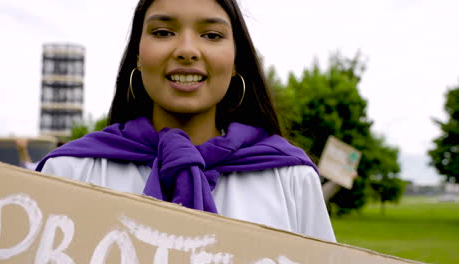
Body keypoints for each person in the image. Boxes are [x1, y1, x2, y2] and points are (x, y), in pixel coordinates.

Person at [36, 0, 336, 242]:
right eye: (163, 32)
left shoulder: (291, 178)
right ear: (138, 56)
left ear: (235, 62)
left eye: (212, 35)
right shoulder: (67, 173)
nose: (187, 51)